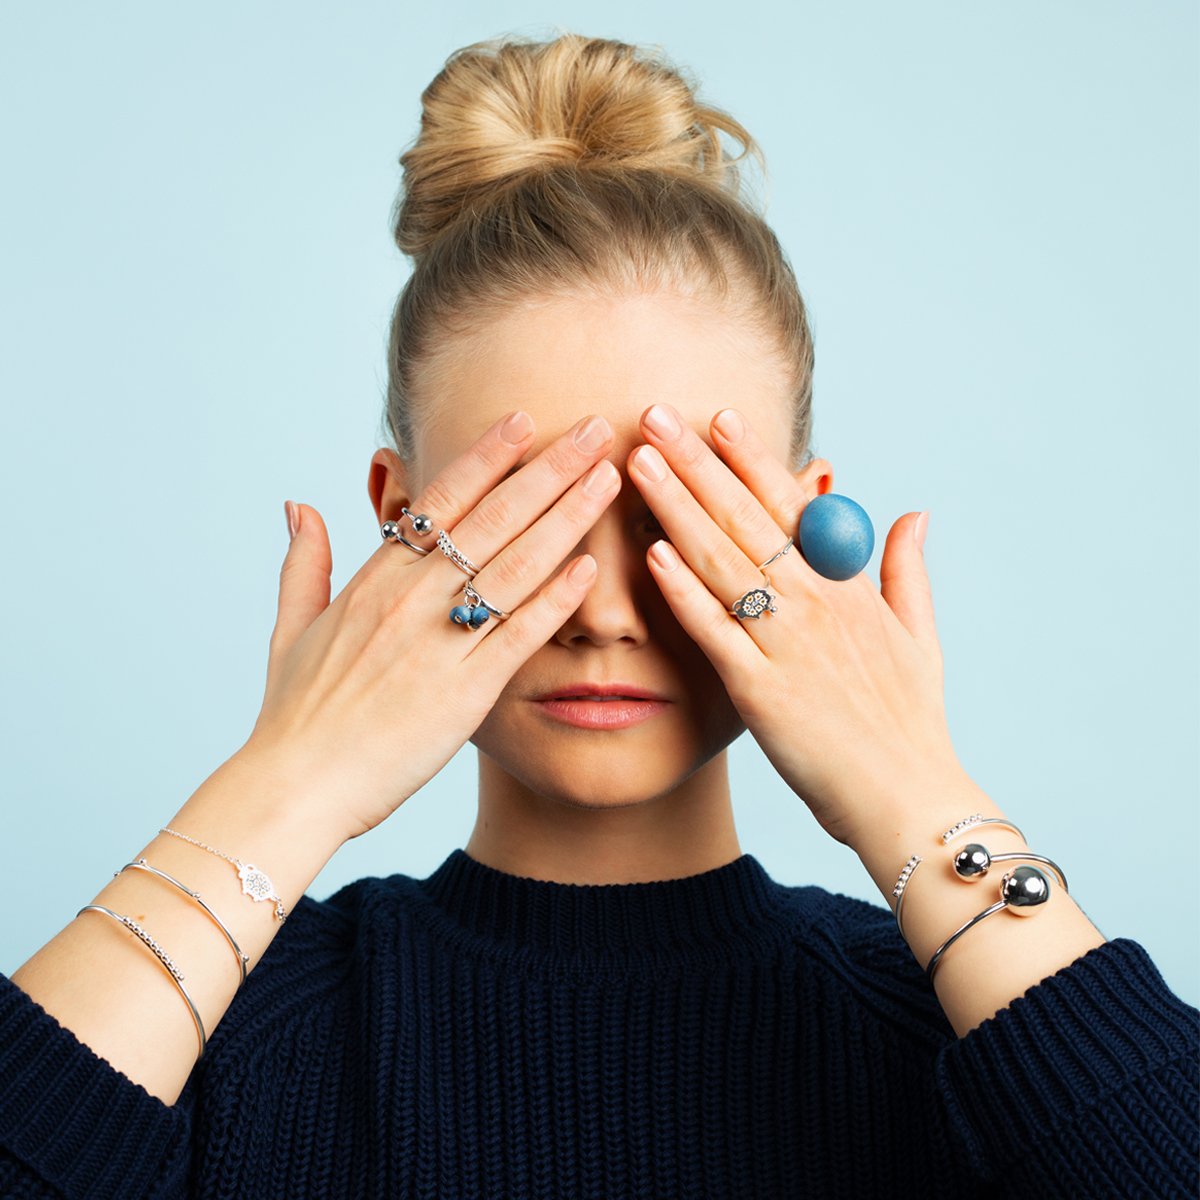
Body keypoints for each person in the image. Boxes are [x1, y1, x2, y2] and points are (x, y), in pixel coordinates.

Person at [1, 31, 1196, 1200]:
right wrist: (287, 781)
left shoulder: (974, 1038)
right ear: (400, 519)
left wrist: (922, 800)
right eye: (528, 522)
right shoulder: (207, 1041)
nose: (606, 613)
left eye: (686, 522)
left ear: (809, 526)